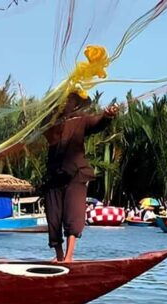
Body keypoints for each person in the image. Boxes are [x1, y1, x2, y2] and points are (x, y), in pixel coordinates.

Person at [42, 92, 119, 262]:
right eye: (63, 101)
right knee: (53, 218)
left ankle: (69, 257)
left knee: (73, 214)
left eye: (70, 101)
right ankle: (59, 256)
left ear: (75, 104)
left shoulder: (81, 120)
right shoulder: (50, 124)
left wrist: (107, 116)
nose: (66, 104)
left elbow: (97, 123)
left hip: (76, 175)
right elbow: (41, 131)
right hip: (54, 176)